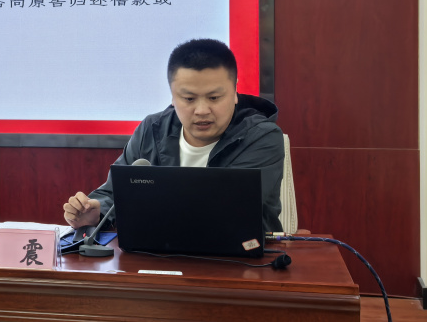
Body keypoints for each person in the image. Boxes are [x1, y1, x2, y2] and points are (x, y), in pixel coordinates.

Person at [63, 38, 285, 233]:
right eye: (189, 99)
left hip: (238, 259)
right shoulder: (152, 129)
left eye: (214, 98)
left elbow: (226, 211)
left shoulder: (261, 137)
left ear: (235, 92)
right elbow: (115, 193)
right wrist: (97, 213)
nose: (201, 110)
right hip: (155, 257)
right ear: (172, 96)